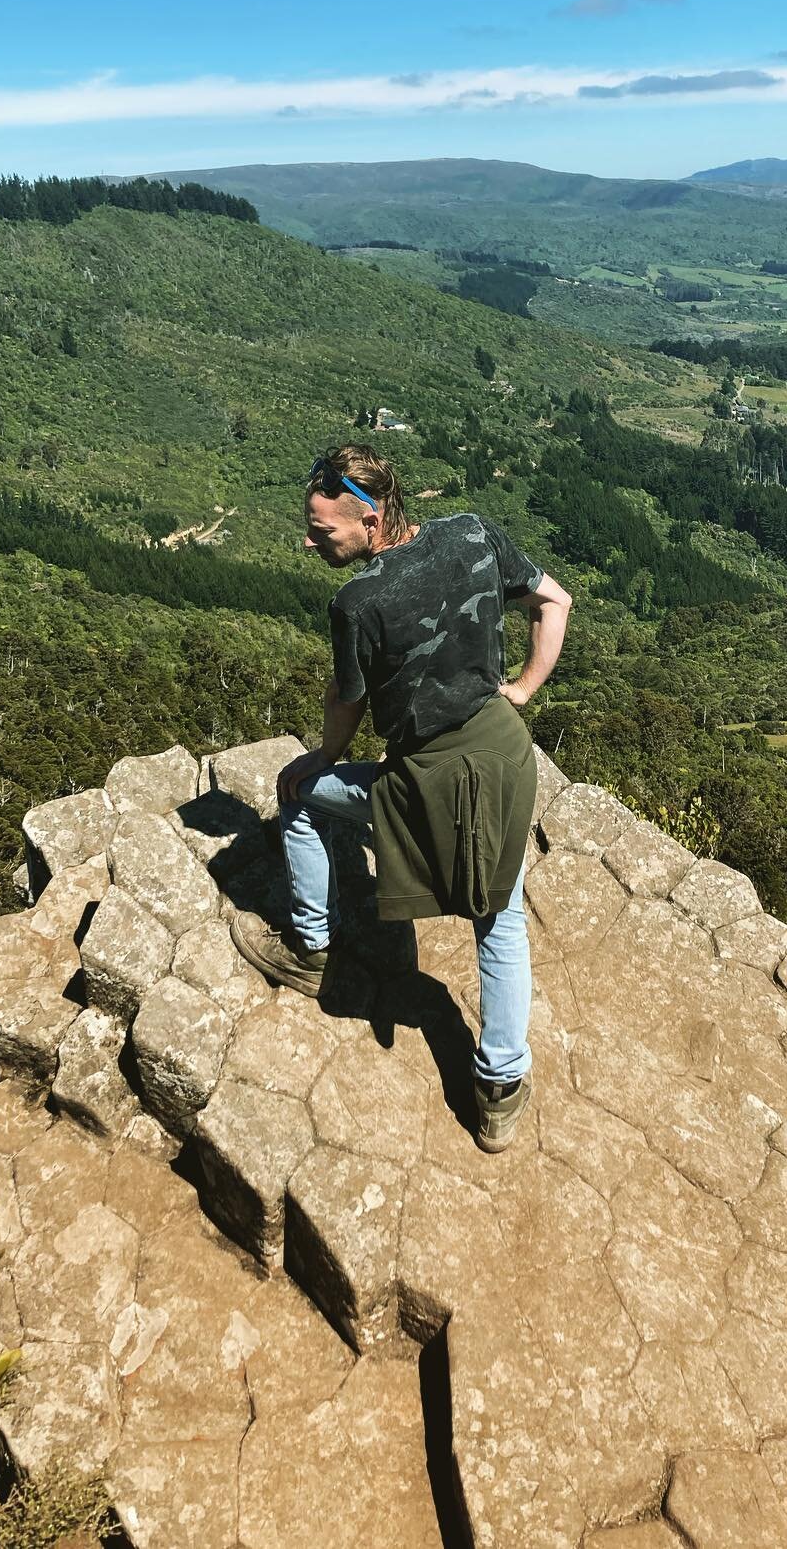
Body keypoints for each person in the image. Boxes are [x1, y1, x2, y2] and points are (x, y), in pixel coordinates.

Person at [230, 444, 572, 1152]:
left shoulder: (359, 601)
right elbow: (556, 600)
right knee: (498, 916)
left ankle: (312, 951)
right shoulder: (473, 532)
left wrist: (319, 759)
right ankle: (500, 1090)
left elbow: (346, 702)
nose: (310, 540)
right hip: (508, 759)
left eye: (323, 530)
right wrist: (524, 692)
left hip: (427, 780)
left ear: (372, 518)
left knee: (299, 798)